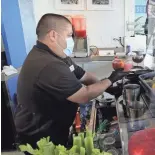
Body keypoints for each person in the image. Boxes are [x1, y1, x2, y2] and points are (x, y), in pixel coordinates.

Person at [14, 13, 127, 149]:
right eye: (69, 35)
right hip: (40, 136)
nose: (72, 39)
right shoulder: (48, 64)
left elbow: (84, 76)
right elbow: (83, 95)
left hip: (54, 126)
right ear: (53, 35)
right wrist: (111, 78)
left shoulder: (58, 56)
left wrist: (108, 87)